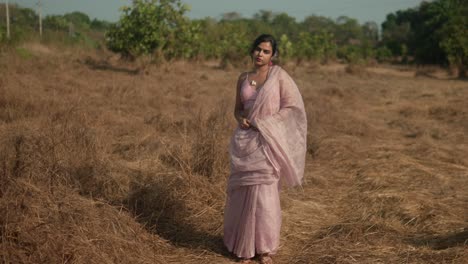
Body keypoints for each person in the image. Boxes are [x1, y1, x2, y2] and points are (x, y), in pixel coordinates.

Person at [223, 34, 307, 264]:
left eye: (266, 51)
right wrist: (241, 119)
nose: (260, 54)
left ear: (273, 55)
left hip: (268, 142)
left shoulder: (278, 77)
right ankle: (243, 246)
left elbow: (292, 107)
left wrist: (267, 124)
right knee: (242, 194)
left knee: (265, 197)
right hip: (244, 141)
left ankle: (264, 248)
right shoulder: (243, 77)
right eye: (258, 49)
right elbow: (237, 109)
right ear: (252, 51)